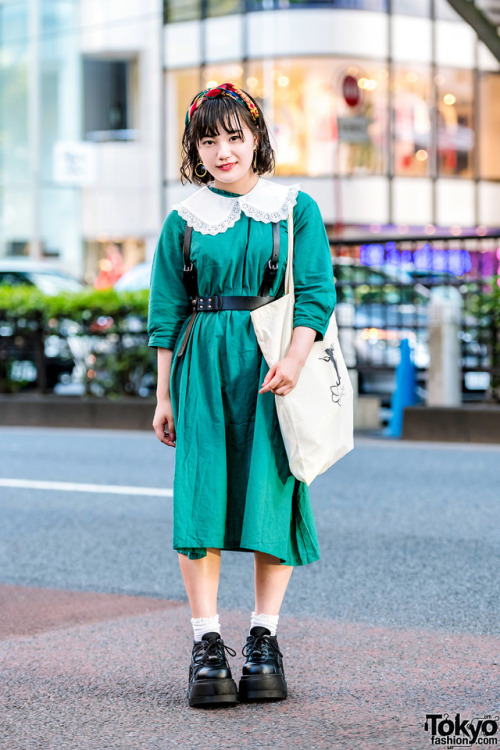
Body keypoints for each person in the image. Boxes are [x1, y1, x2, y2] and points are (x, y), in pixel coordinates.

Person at [147, 82, 336, 708]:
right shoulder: (183, 219)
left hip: (271, 362)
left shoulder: (293, 208)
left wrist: (295, 357)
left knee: (270, 492)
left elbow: (315, 292)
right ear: (194, 149)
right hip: (201, 365)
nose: (223, 150)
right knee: (199, 495)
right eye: (208, 139)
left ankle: (263, 639)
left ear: (257, 139)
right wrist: (162, 394)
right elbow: (168, 311)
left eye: (235, 136)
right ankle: (206, 645)